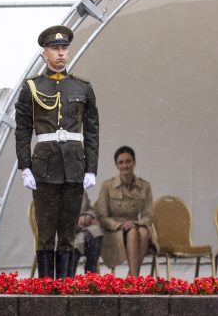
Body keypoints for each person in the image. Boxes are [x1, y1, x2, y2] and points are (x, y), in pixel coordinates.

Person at [14, 25, 99, 279]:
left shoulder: (82, 87)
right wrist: (25, 166)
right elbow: (22, 130)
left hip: (74, 165)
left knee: (68, 231)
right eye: (55, 49)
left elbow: (92, 131)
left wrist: (91, 168)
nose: (61, 53)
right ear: (44, 54)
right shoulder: (32, 87)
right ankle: (45, 286)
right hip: (44, 166)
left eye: (64, 48)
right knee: (46, 232)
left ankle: (63, 286)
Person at [94, 145, 156, 277]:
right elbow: (102, 216)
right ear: (116, 165)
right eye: (121, 162)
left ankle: (131, 278)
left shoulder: (145, 186)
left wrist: (138, 223)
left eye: (128, 161)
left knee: (144, 233)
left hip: (136, 225)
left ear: (134, 162)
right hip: (114, 230)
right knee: (133, 233)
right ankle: (134, 279)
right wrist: (120, 225)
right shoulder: (107, 186)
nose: (125, 165)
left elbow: (148, 214)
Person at [72, 192, 103, 274]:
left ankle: (90, 277)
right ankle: (68, 279)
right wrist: (77, 220)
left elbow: (89, 208)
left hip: (83, 231)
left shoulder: (81, 189)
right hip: (66, 230)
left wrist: (89, 217)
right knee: (72, 245)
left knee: (96, 232)